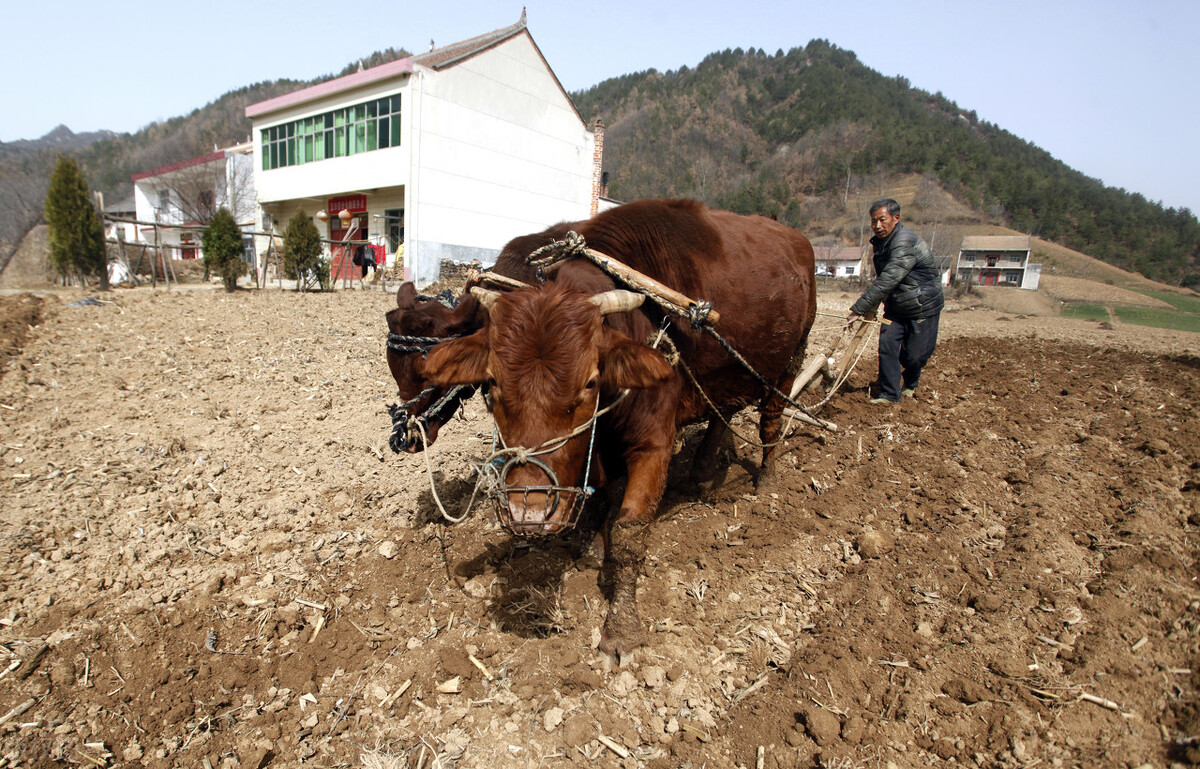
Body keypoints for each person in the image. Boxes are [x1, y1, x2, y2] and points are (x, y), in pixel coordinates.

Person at [846, 198, 944, 404]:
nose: (877, 226)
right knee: (887, 347)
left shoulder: (903, 242)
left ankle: (910, 383)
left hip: (921, 306)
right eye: (873, 222)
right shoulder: (881, 244)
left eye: (882, 220)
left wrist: (860, 308)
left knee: (914, 356)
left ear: (896, 218)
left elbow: (889, 278)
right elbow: (885, 281)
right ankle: (890, 394)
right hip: (895, 306)